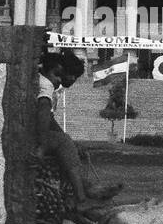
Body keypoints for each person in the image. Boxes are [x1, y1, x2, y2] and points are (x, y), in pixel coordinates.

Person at [36, 51, 122, 207]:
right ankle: (81, 196)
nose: (70, 80)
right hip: (35, 133)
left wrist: (68, 141)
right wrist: (44, 145)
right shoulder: (46, 85)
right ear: (59, 70)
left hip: (41, 131)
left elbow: (49, 119)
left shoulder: (46, 83)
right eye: (67, 75)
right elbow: (43, 114)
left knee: (70, 146)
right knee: (65, 143)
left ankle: (84, 189)